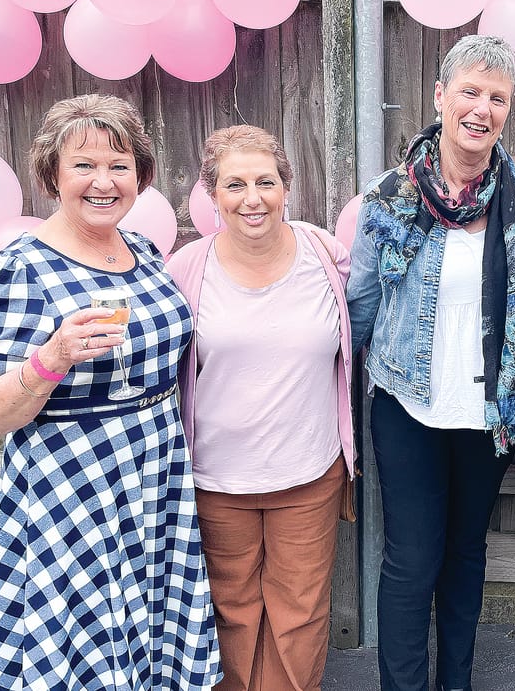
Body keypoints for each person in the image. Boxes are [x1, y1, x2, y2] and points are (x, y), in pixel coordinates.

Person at [0, 94, 221, 689]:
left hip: (154, 471)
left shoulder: (147, 253)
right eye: (84, 165)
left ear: (141, 176)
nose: (103, 181)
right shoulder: (19, 267)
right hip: (72, 483)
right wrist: (50, 358)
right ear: (53, 172)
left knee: (149, 623)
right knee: (77, 638)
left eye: (120, 165)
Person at [346, 34, 515, 691]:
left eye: (497, 97)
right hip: (408, 403)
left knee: (466, 554)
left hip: (489, 409)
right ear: (440, 96)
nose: (482, 108)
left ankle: (455, 682)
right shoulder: (391, 196)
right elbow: (362, 304)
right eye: (470, 91)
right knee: (412, 558)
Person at [167, 125, 356, 691]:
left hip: (308, 471)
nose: (252, 197)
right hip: (218, 478)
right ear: (214, 195)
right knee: (231, 610)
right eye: (235, 184)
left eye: (265, 182)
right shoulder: (185, 270)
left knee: (300, 614)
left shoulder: (326, 255)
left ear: (285, 187)